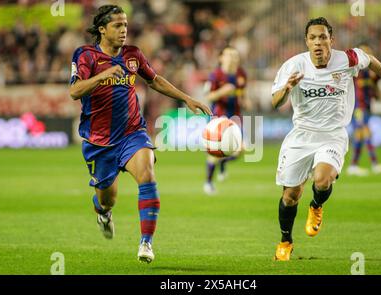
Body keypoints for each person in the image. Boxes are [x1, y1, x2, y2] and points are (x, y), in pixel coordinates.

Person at [69, 5, 211, 264]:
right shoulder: (86, 56)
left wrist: (187, 98)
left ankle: (146, 243)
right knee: (107, 199)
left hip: (132, 132)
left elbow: (154, 80)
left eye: (125, 25)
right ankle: (103, 213)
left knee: (147, 176)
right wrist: (103, 76)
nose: (124, 30)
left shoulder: (133, 55)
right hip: (98, 141)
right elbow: (75, 91)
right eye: (117, 26)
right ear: (102, 29)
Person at [271, 17, 381, 261]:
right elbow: (274, 101)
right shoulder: (293, 66)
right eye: (313, 38)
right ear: (306, 41)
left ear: (332, 40)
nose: (318, 42)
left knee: (322, 180)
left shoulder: (347, 58)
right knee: (290, 196)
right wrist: (286, 90)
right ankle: (286, 240)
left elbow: (371, 60)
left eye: (322, 37)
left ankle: (317, 205)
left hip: (332, 135)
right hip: (301, 136)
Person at [203, 47, 249, 195]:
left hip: (235, 116)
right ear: (221, 58)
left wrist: (246, 101)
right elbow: (208, 96)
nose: (232, 58)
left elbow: (243, 94)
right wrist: (223, 91)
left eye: (235, 55)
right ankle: (208, 183)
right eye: (229, 55)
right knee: (213, 152)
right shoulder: (215, 75)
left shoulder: (241, 74)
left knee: (240, 150)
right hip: (218, 117)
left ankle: (223, 162)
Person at [347, 45, 381, 176]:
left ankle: (353, 165)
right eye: (364, 52)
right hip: (358, 107)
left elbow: (377, 87)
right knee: (366, 132)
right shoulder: (355, 71)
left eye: (368, 52)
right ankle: (375, 164)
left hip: (367, 107)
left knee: (359, 136)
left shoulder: (370, 74)